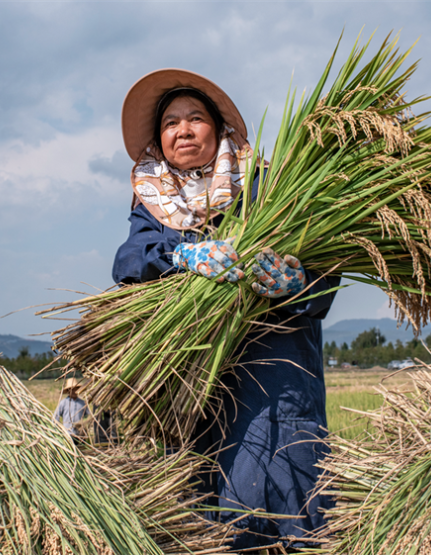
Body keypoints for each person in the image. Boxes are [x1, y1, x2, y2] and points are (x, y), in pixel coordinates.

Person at [112, 69, 341, 550]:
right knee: (209, 517)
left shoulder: (264, 186)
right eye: (171, 123)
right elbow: (132, 257)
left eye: (196, 118)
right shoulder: (154, 200)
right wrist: (180, 256)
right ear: (160, 139)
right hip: (195, 382)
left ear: (219, 131)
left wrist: (297, 280)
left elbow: (323, 264)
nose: (183, 130)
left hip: (275, 373)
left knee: (289, 505)